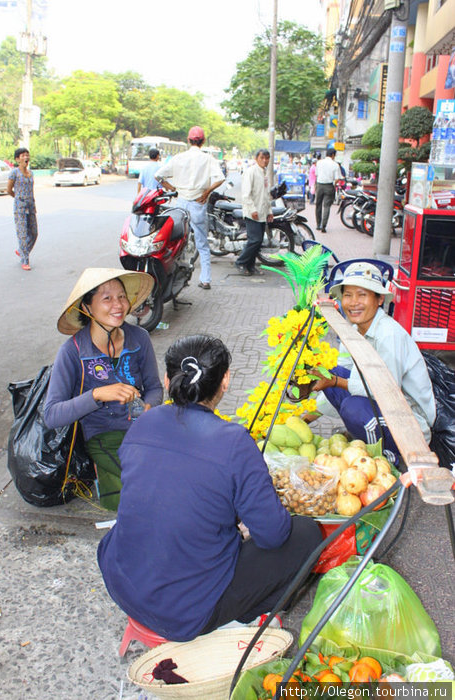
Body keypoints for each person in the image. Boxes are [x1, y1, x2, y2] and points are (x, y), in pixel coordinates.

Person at [97, 334, 322, 642]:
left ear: (166, 379)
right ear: (226, 380)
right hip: (184, 613)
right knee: (306, 533)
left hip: (122, 583)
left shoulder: (143, 424)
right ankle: (245, 616)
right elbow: (273, 535)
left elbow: (163, 490)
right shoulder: (234, 442)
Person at [44, 268, 163, 510]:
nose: (118, 304)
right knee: (151, 484)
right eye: (106, 298)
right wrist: (97, 395)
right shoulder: (73, 351)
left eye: (121, 296)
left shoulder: (139, 338)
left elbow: (154, 387)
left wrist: (150, 406)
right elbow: (52, 415)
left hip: (142, 430)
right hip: (103, 437)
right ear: (87, 307)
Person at [310, 262, 436, 463]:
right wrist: (306, 417)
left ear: (379, 299)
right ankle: (363, 434)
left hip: (408, 421)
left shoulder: (388, 335)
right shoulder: (354, 330)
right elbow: (339, 376)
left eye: (362, 295)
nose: (353, 302)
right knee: (330, 371)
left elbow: (387, 391)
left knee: (354, 407)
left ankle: (386, 461)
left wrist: (335, 382)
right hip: (382, 406)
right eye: (348, 295)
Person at [155, 126, 225, 291]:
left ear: (188, 140)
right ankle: (205, 280)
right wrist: (206, 192)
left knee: (177, 242)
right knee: (202, 243)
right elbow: (220, 178)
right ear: (203, 141)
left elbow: (158, 176)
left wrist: (172, 189)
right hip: (198, 204)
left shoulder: (179, 158)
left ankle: (173, 276)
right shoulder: (208, 159)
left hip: (180, 204)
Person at [235, 149, 274, 276]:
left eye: (267, 158)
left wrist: (269, 211)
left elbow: (266, 195)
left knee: (258, 241)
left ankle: (250, 266)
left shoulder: (264, 174)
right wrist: (252, 210)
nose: (264, 160)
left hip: (262, 212)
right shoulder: (251, 172)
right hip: (253, 212)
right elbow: (246, 194)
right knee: (254, 240)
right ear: (256, 158)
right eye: (262, 158)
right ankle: (241, 262)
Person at [7, 147, 38, 271]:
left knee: (34, 233)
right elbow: (9, 190)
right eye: (23, 155)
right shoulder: (14, 173)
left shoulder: (31, 173)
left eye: (27, 155)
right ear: (17, 159)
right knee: (23, 234)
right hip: (20, 207)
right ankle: (25, 260)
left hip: (31, 206)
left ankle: (22, 251)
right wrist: (18, 198)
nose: (26, 157)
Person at [315, 148, 341, 233]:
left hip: (319, 185)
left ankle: (318, 224)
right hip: (329, 186)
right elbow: (337, 179)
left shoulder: (319, 163)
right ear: (333, 155)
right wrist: (333, 183)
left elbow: (316, 174)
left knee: (318, 205)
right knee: (326, 206)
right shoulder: (335, 164)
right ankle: (324, 225)